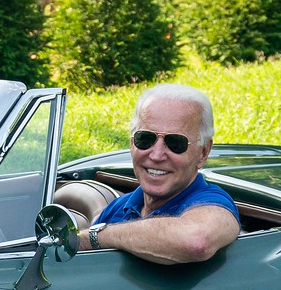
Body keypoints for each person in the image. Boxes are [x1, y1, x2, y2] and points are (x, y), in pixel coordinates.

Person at [74, 83, 240, 264]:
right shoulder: (118, 208)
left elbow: (196, 242)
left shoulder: (214, 201)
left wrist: (93, 238)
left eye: (176, 143)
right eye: (145, 139)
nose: (156, 155)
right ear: (131, 144)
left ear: (203, 153)